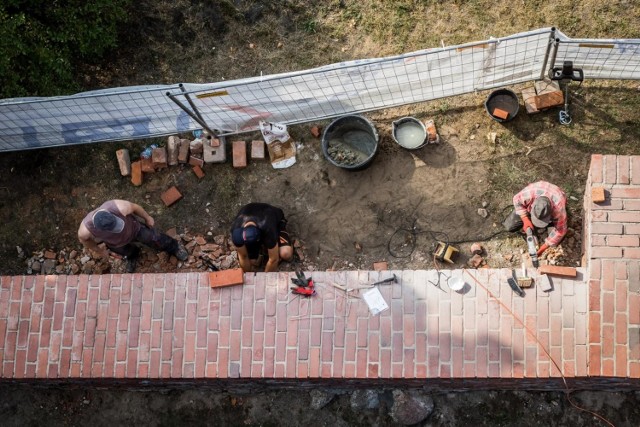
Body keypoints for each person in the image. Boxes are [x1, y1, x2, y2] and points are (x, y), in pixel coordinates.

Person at [78, 199, 188, 273]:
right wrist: (99, 251)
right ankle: (133, 255)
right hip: (116, 243)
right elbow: (85, 240)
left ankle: (175, 247)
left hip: (136, 230)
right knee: (127, 252)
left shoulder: (119, 207)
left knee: (156, 239)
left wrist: (147, 217)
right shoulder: (86, 230)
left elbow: (135, 207)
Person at [503, 181, 568, 256]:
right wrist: (525, 219)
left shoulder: (558, 210)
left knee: (555, 240)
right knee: (510, 226)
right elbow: (516, 199)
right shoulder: (529, 194)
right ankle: (532, 218)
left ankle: (549, 223)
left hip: (556, 196)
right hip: (539, 192)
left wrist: (543, 248)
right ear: (532, 204)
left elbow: (561, 231)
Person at [230, 203, 293, 272]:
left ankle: (285, 244)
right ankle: (263, 250)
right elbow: (243, 257)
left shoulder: (268, 228)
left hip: (275, 222)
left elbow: (274, 259)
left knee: (286, 253)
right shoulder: (237, 232)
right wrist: (248, 277)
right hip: (257, 223)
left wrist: (265, 278)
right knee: (252, 262)